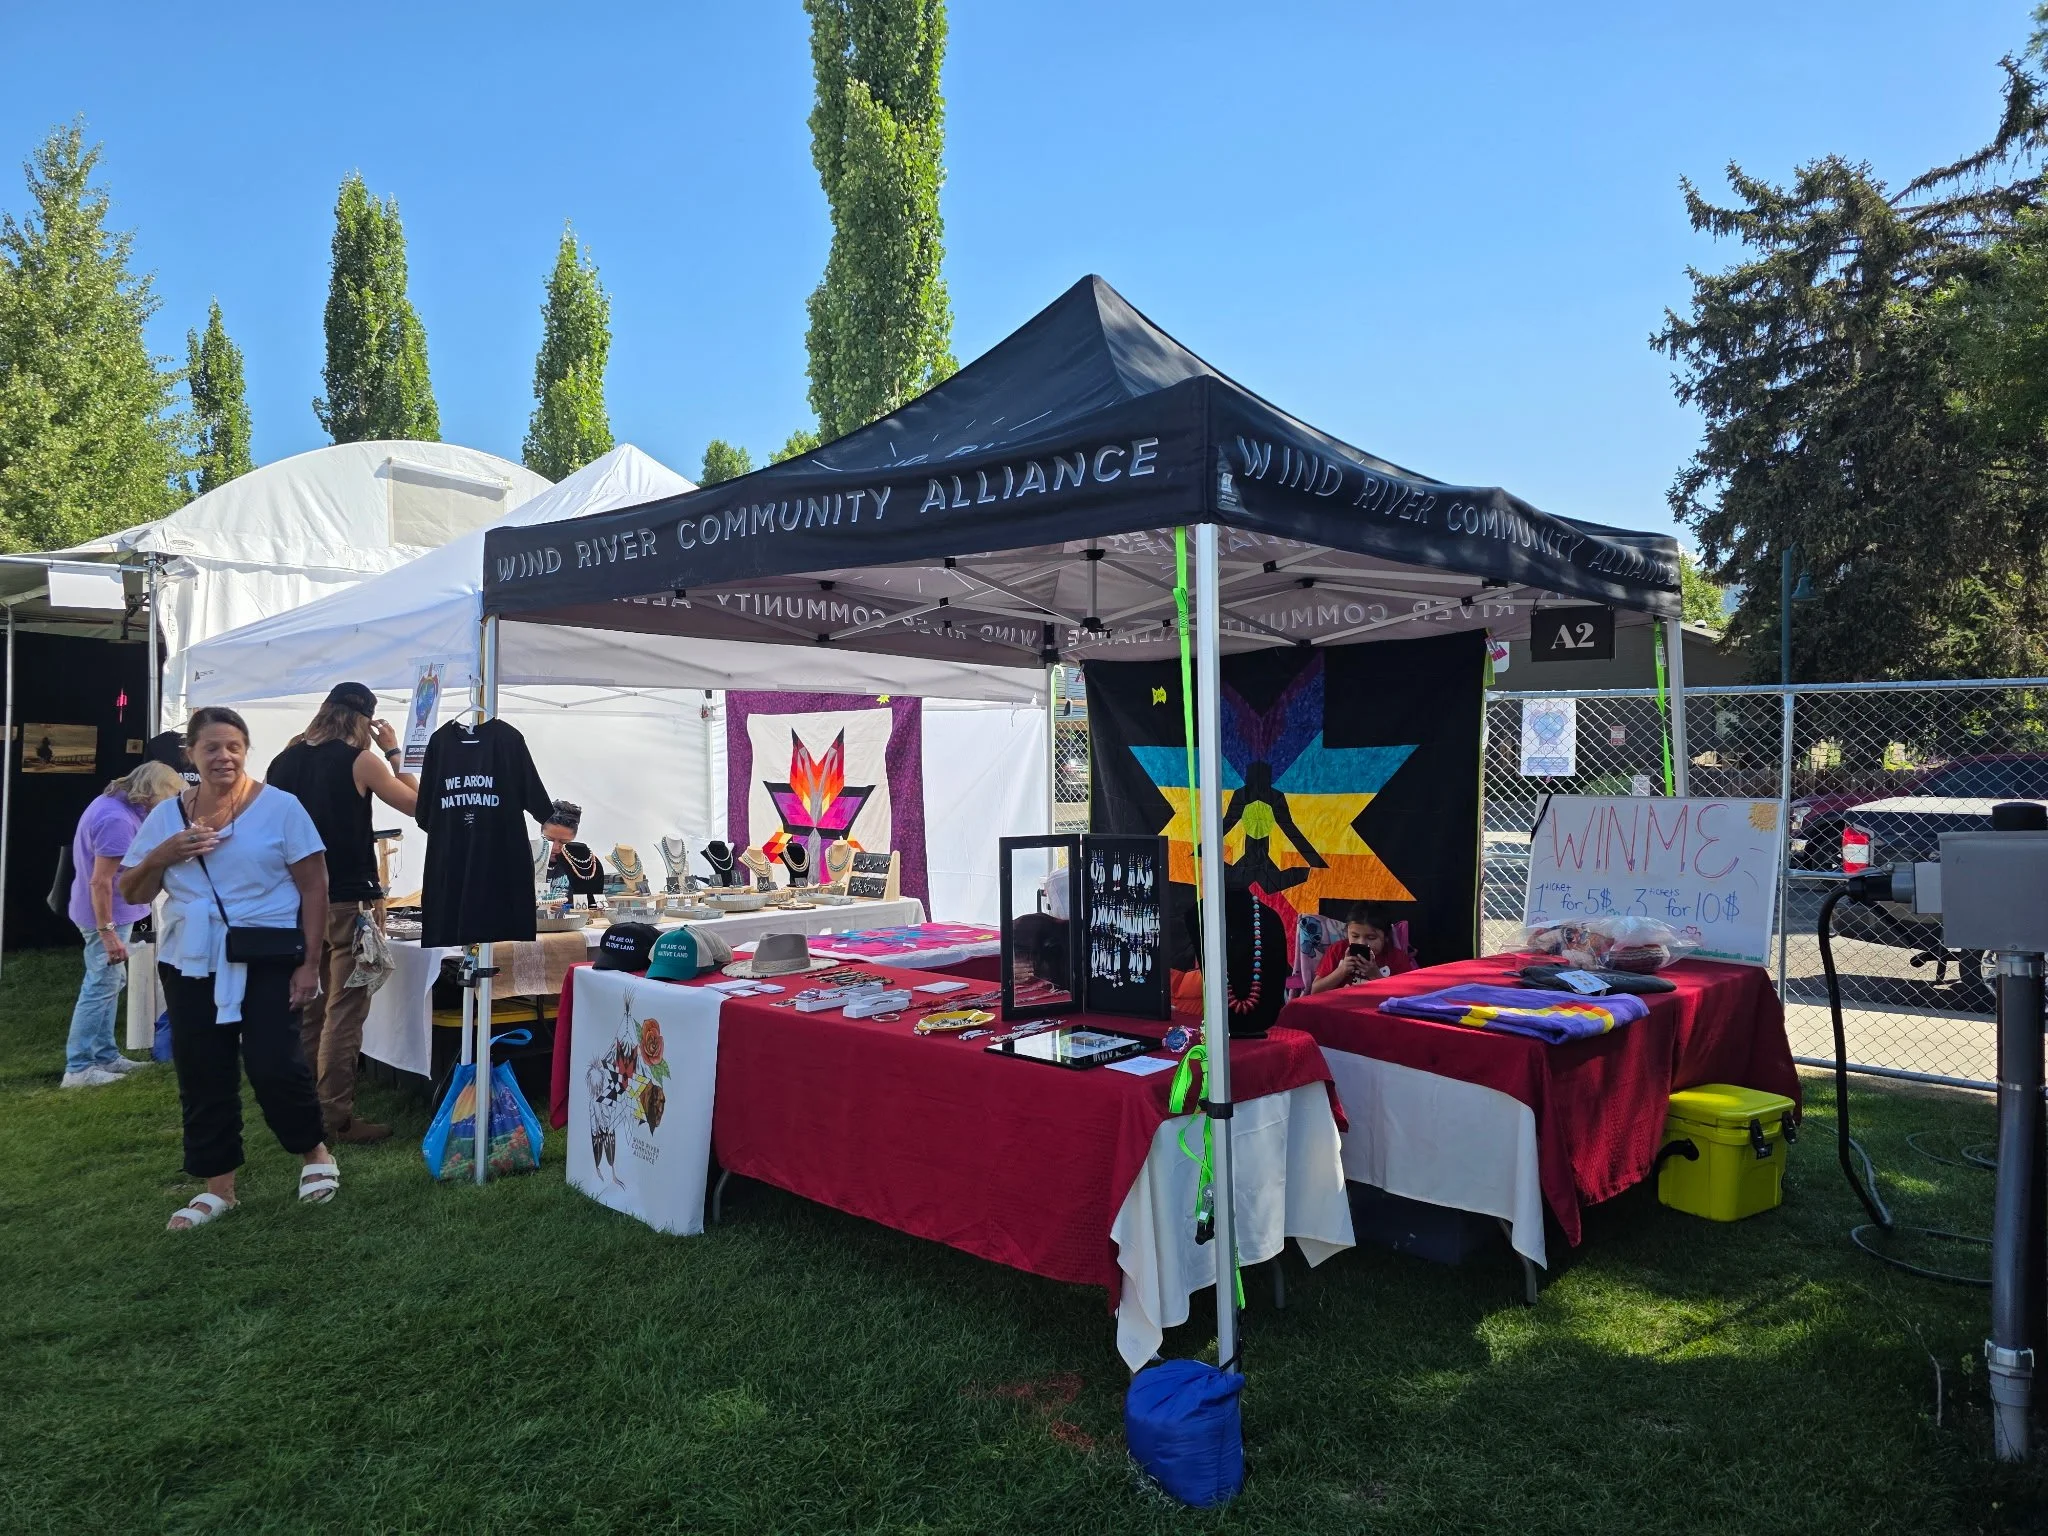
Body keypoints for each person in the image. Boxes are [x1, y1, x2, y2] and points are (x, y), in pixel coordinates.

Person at [119, 706, 337, 1231]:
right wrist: (162, 855)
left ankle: (315, 1154)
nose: (224, 756)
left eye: (234, 746)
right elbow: (131, 890)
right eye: (212, 747)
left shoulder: (281, 808)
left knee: (274, 1062)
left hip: (267, 954)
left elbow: (315, 888)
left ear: (246, 751)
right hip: (190, 957)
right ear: (190, 754)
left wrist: (311, 965)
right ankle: (218, 1186)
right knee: (202, 1071)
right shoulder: (165, 818)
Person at [265, 682, 418, 1144]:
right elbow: (420, 806)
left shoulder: (284, 759)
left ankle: (306, 1107)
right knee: (344, 1011)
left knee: (310, 1007)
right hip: (348, 896)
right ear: (363, 721)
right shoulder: (360, 759)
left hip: (294, 897)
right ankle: (334, 1116)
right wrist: (395, 753)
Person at [61, 761, 186, 1087]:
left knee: (109, 982)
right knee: (100, 985)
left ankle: (104, 1055)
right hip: (105, 916)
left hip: (109, 914)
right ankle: (78, 1068)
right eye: (170, 796)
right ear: (154, 791)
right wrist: (107, 934)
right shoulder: (116, 820)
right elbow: (101, 882)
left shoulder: (113, 803)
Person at [1310, 906, 1416, 993]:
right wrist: (1342, 970)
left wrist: (1374, 974)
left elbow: (1405, 995)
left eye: (1371, 938)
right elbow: (1315, 990)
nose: (1362, 943)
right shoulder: (1337, 950)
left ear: (1386, 937)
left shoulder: (1396, 957)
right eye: (1355, 936)